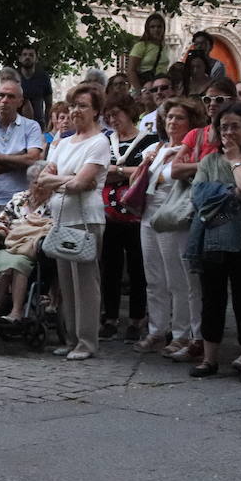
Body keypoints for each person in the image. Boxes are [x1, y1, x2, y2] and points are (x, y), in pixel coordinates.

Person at [188, 103, 241, 381]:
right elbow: (199, 197)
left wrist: (236, 161)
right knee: (211, 299)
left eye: (235, 126)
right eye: (223, 127)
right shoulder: (209, 161)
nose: (228, 132)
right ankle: (209, 359)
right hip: (212, 238)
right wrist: (234, 193)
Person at [39, 84, 111, 360]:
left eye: (82, 105)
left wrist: (67, 181)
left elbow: (83, 183)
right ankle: (70, 338)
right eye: (73, 105)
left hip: (85, 219)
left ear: (95, 111)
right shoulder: (63, 142)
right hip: (61, 218)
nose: (75, 111)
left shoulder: (100, 142)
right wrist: (68, 181)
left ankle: (87, 341)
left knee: (85, 282)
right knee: (66, 284)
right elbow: (44, 179)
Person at [136, 97, 204, 359]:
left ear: (191, 122)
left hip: (175, 216)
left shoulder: (191, 150)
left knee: (179, 279)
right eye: (170, 117)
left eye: (179, 117)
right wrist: (145, 163)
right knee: (154, 279)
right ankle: (157, 330)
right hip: (149, 216)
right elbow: (138, 182)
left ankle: (182, 335)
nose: (172, 122)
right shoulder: (157, 146)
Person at [98, 96, 158, 341]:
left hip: (135, 215)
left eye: (117, 114)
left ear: (129, 112)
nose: (113, 120)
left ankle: (136, 319)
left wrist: (118, 171)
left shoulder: (149, 141)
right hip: (108, 214)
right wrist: (128, 172)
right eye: (109, 116)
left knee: (137, 268)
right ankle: (110, 317)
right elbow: (99, 172)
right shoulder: (105, 141)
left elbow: (147, 172)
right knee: (109, 268)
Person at [0, 80, 45, 253]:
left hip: (22, 204)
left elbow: (33, 160)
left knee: (18, 255)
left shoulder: (31, 127)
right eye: (1, 95)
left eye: (11, 96)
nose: (4, 100)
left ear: (20, 101)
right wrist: (19, 158)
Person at [17, 45, 53, 126]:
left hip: (38, 124)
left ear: (36, 59)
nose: (27, 57)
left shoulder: (43, 77)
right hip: (16, 123)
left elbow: (49, 105)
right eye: (25, 54)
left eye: (31, 55)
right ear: (20, 58)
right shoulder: (14, 77)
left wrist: (48, 125)